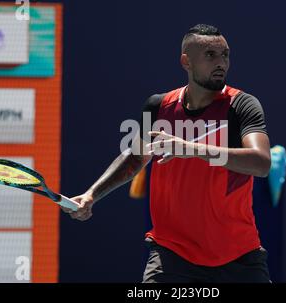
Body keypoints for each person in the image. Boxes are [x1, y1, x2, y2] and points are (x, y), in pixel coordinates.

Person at [62, 24, 272, 283]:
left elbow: (261, 163)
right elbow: (135, 157)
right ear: (186, 61)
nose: (222, 63)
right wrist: (92, 194)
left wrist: (190, 148)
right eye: (210, 55)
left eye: (225, 55)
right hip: (171, 258)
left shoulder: (241, 105)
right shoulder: (158, 106)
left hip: (239, 259)